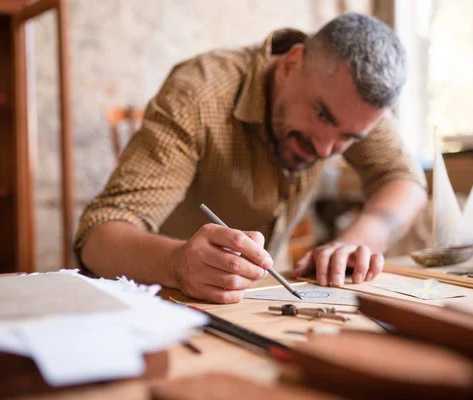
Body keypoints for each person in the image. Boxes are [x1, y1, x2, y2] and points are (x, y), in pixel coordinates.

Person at [75, 13, 427, 304]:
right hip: (158, 299)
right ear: (291, 64)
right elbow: (98, 236)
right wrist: (177, 263)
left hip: (256, 299)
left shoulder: (349, 100)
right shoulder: (198, 94)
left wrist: (360, 239)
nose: (324, 150)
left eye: (349, 138)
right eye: (321, 116)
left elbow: (405, 180)